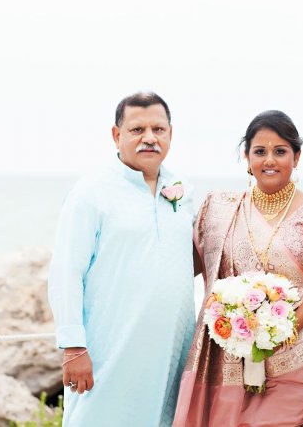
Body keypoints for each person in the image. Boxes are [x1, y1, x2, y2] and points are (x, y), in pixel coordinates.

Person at [174, 110, 303, 427]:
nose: (269, 160)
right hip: (234, 351)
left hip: (297, 349)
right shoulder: (220, 208)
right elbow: (184, 266)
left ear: (297, 156)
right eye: (259, 151)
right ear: (246, 157)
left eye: (280, 151)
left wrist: (282, 331)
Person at [48, 92, 196, 427]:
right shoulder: (91, 193)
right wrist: (73, 347)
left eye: (158, 129)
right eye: (137, 129)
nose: (149, 138)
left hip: (168, 353)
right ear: (117, 135)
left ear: (170, 134)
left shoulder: (182, 190)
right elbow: (66, 272)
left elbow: (192, 260)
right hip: (108, 350)